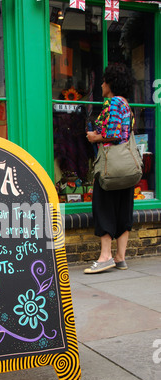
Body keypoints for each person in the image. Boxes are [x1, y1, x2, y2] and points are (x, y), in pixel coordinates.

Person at [84, 63, 135, 274]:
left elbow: (114, 134)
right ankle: (120, 257)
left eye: (104, 81)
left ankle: (105, 258)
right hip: (126, 167)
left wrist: (94, 137)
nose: (102, 84)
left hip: (110, 167)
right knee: (124, 208)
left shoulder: (113, 102)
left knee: (103, 206)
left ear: (111, 83)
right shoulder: (127, 105)